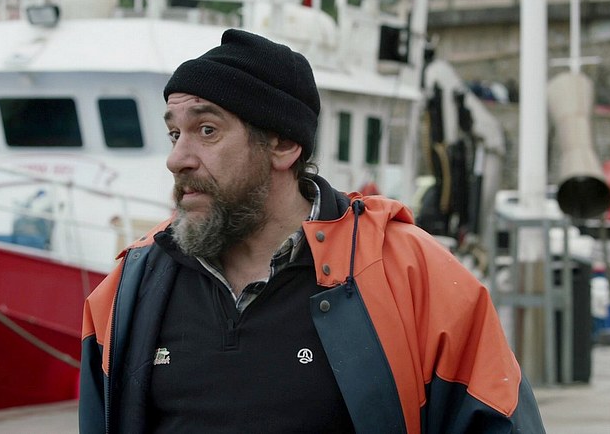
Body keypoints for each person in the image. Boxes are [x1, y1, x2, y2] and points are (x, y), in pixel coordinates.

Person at [79, 29, 546, 433]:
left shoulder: (411, 274)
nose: (176, 158)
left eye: (206, 130)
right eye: (174, 134)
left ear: (284, 145)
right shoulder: (129, 289)